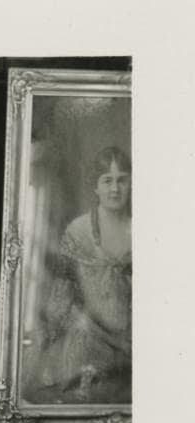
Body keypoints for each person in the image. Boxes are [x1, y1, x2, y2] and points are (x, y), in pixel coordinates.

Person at [33, 145, 132, 404]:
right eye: (107, 180)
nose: (115, 189)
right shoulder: (79, 231)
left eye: (122, 180)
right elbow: (62, 293)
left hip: (134, 345)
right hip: (89, 342)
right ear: (95, 187)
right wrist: (50, 340)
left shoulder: (146, 228)